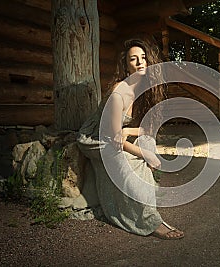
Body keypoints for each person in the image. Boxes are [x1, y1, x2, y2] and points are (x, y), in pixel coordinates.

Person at [77, 38, 184, 240]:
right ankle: (150, 221)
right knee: (133, 159)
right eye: (133, 59)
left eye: (143, 58)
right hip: (96, 137)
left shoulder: (147, 89)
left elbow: (148, 129)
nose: (140, 62)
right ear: (126, 66)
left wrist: (129, 132)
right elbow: (111, 138)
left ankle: (146, 204)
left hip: (118, 134)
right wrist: (145, 155)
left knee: (148, 143)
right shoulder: (120, 91)